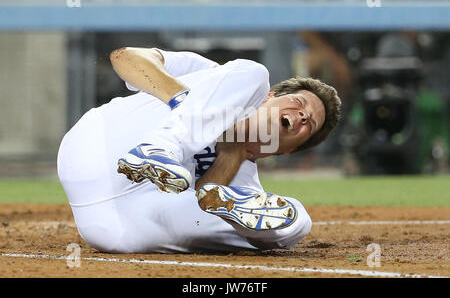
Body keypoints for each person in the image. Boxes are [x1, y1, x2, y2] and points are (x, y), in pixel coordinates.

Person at [57, 47, 341, 253]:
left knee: (296, 221)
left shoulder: (246, 190)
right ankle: (162, 146)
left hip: (114, 226)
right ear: (270, 98)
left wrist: (233, 154)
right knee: (255, 72)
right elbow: (124, 57)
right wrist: (185, 103)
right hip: (101, 142)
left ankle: (242, 220)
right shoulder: (216, 78)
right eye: (298, 103)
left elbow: (202, 205)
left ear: (290, 151)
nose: (302, 116)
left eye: (310, 124)